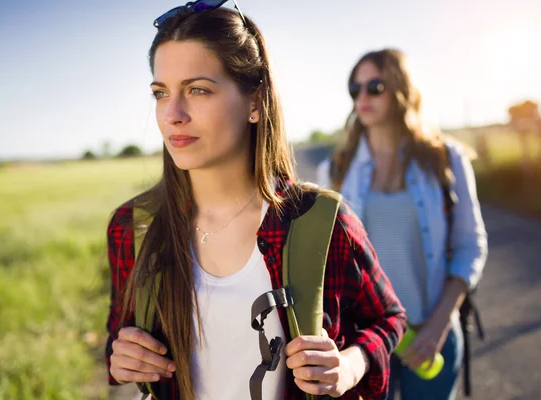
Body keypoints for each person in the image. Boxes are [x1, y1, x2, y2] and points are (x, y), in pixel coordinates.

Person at [105, 3, 406, 400]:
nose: (172, 114)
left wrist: (349, 365)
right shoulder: (134, 227)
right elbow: (119, 338)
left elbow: (388, 318)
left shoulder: (321, 223)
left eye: (197, 89)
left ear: (255, 102)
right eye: (161, 93)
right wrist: (121, 355)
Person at [316, 49, 488, 400]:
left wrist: (439, 325)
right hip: (363, 343)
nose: (362, 97)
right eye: (355, 89)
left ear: (401, 90)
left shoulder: (447, 159)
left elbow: (471, 245)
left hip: (430, 335)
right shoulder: (335, 171)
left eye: (375, 86)